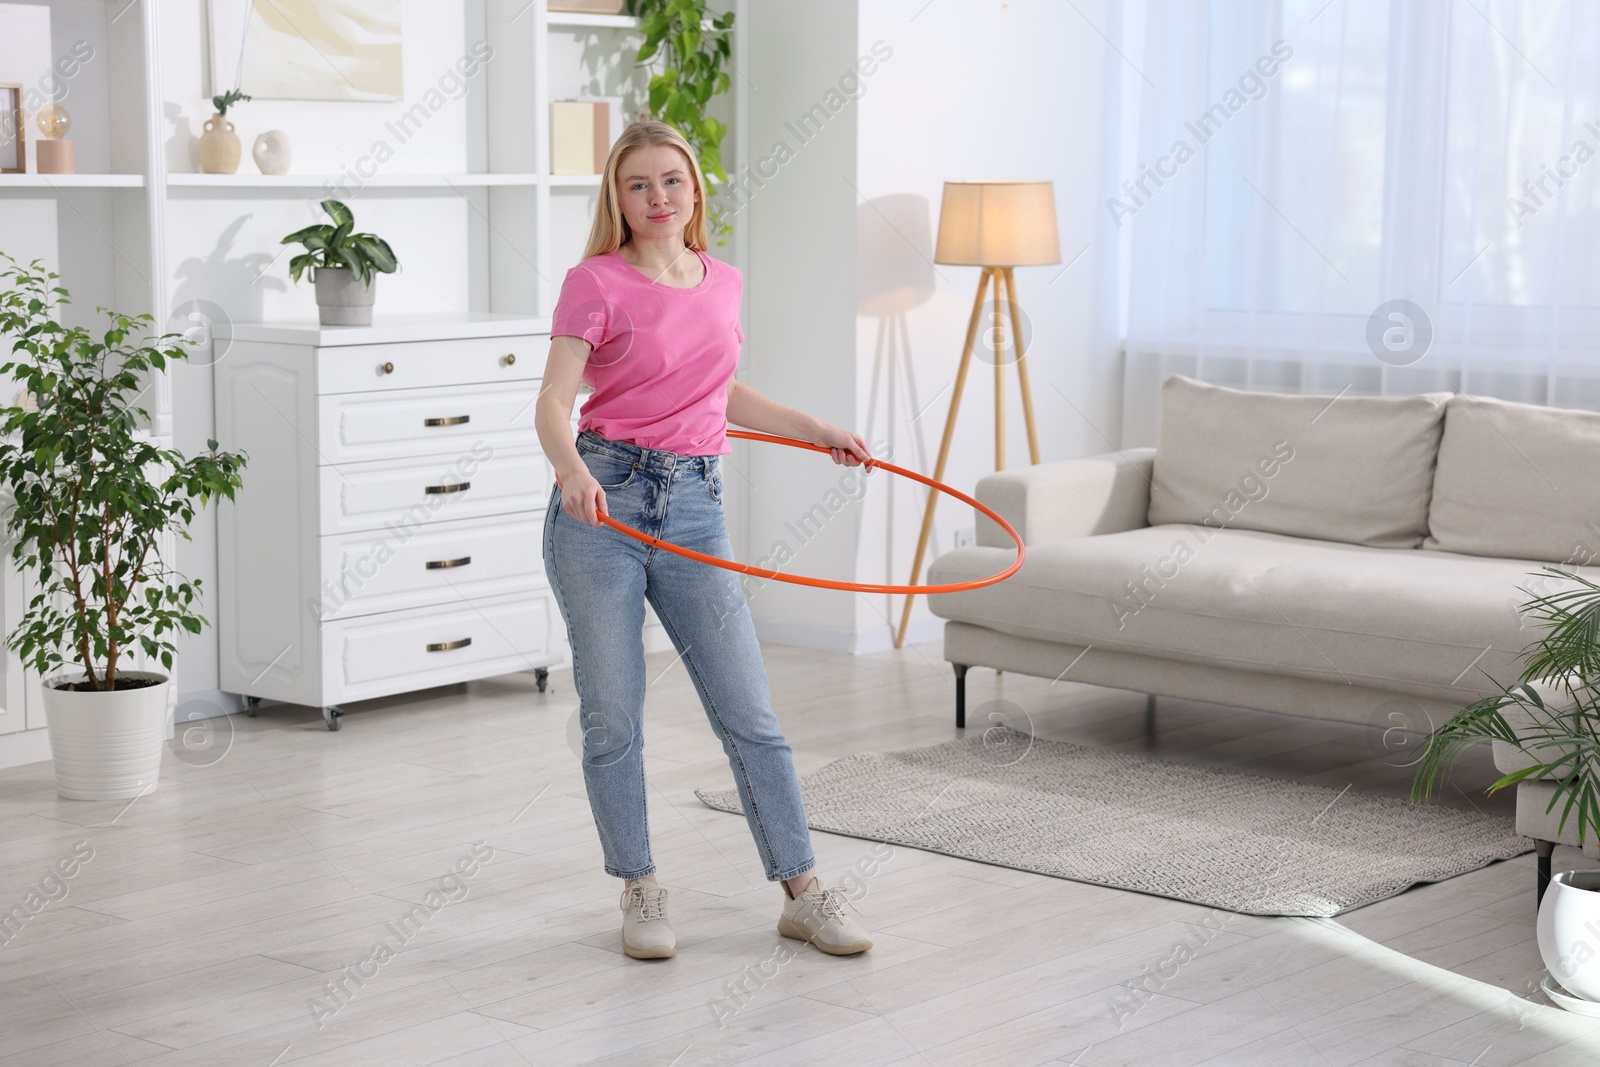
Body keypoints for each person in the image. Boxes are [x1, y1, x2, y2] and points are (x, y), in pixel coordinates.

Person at [535, 120, 874, 961]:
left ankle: (803, 890)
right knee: (613, 717)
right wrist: (573, 471)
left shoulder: (722, 281)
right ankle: (640, 887)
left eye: (672, 181)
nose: (658, 198)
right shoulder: (594, 281)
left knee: (750, 714)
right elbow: (551, 402)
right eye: (639, 184)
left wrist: (815, 428)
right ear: (617, 196)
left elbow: (719, 393)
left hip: (694, 507)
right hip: (600, 508)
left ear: (695, 190)